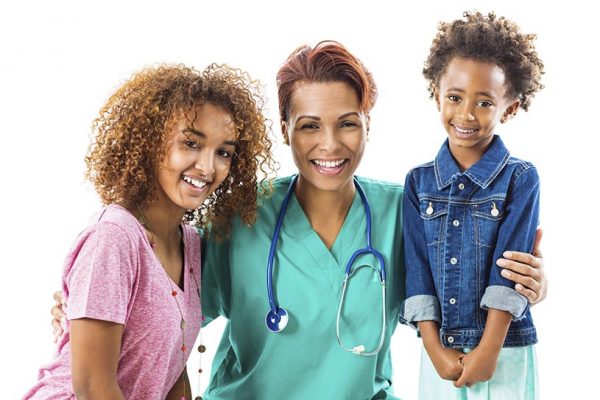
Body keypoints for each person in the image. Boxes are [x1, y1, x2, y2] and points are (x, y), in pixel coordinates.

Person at [51, 42, 547, 399]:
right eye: (309, 126)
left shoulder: (409, 211)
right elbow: (164, 301)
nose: (329, 146)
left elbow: (464, 282)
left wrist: (533, 286)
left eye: (347, 124)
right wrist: (79, 307)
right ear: (285, 128)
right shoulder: (237, 217)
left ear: (368, 125)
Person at [24, 64, 274, 400]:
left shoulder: (189, 242)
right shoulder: (113, 238)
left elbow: (171, 363)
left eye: (223, 152)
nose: (208, 166)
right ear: (150, 141)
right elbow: (93, 388)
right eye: (190, 143)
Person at [399, 11, 545, 399]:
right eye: (454, 97)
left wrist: (488, 350)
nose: (465, 114)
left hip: (506, 349)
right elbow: (417, 272)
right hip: (442, 354)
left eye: (484, 102)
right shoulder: (417, 183)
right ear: (436, 94)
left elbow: (510, 269)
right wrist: (435, 350)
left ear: (509, 108)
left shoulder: (520, 178)